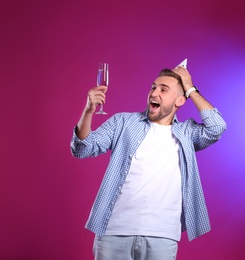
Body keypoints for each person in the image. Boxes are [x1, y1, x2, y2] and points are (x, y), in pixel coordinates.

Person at [70, 65, 227, 260]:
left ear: (180, 100)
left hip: (162, 235)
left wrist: (190, 88)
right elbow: (82, 149)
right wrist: (88, 111)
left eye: (163, 89)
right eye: (153, 87)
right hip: (114, 232)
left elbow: (217, 127)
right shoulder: (123, 123)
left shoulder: (187, 133)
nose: (154, 92)